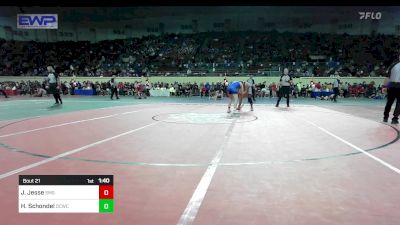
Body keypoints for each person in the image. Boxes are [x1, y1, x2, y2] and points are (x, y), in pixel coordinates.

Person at [383, 54, 400, 124]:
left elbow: (387, 77)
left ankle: (385, 117)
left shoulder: (392, 65)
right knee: (399, 103)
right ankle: (395, 119)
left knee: (389, 102)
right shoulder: (393, 65)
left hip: (392, 86)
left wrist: (384, 86)